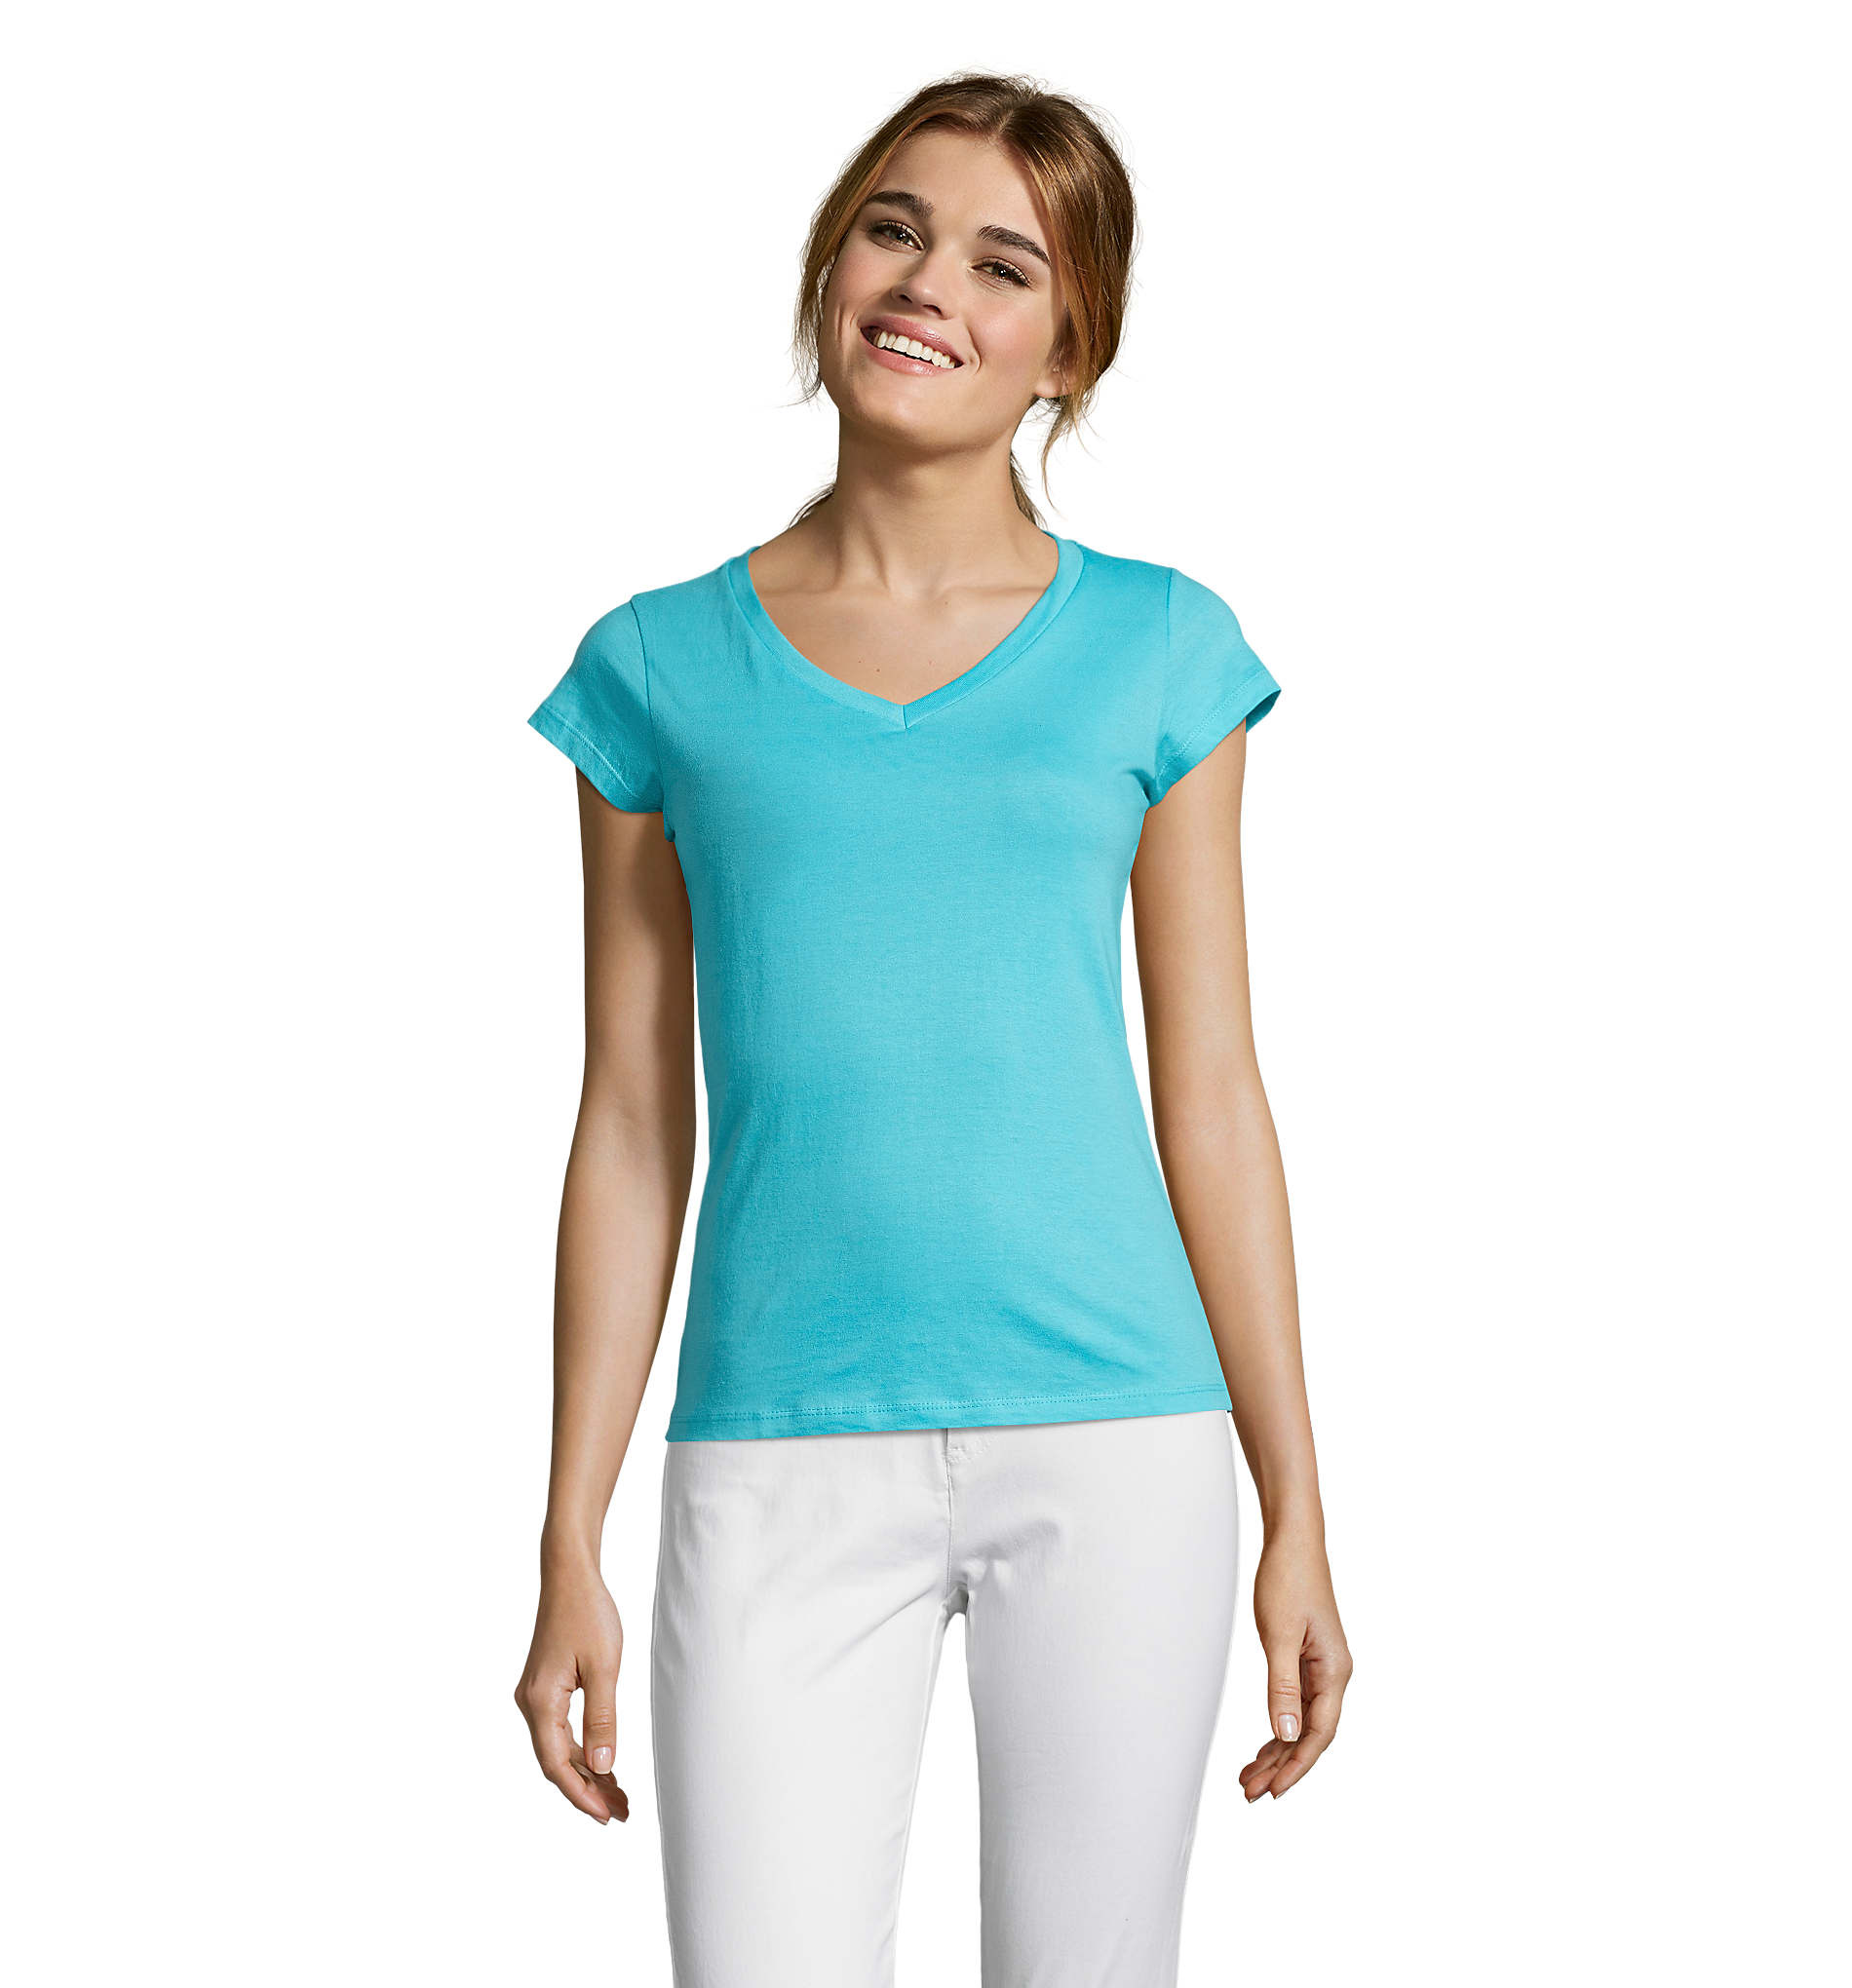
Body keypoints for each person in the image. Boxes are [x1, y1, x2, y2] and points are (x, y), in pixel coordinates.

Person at [515, 69, 1352, 1988]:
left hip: (1118, 1438)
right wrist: (569, 1530)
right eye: (892, 229)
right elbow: (629, 1121)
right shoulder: (655, 667)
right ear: (830, 263)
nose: (926, 287)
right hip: (774, 1443)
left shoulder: (1158, 647)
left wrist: (1296, 1500)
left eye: (1002, 264)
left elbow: (1213, 1092)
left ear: (1071, 348)